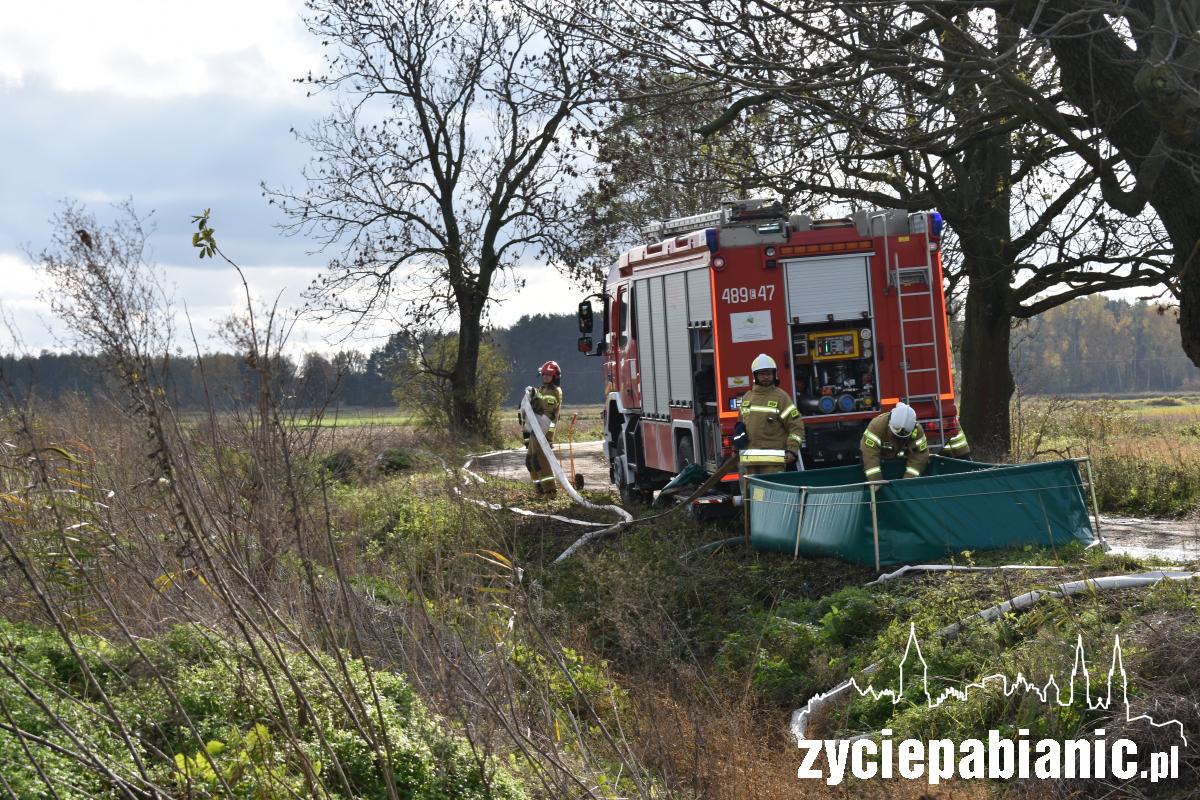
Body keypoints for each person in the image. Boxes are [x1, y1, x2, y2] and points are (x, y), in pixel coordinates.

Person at [734, 354, 805, 492]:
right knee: (751, 500)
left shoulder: (781, 397)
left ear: (774, 374)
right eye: (762, 374)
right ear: (755, 375)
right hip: (749, 463)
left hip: (773, 462)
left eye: (769, 373)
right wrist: (735, 448)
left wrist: (792, 450)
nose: (766, 377)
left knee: (772, 498)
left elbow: (796, 427)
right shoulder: (747, 398)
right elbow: (740, 426)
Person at [522, 360, 563, 495]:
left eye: (548, 375)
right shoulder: (543, 389)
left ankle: (550, 490)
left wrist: (535, 398)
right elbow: (536, 403)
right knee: (530, 461)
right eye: (544, 374)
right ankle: (539, 489)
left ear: (555, 376)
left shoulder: (554, 392)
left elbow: (546, 412)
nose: (545, 377)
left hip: (543, 431)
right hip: (535, 429)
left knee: (540, 460)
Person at [860, 401, 929, 480]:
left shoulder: (916, 430)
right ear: (890, 424)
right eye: (896, 435)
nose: (899, 438)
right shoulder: (876, 426)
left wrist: (908, 481)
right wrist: (877, 484)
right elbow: (870, 457)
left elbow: (919, 457)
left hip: (901, 467)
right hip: (880, 464)